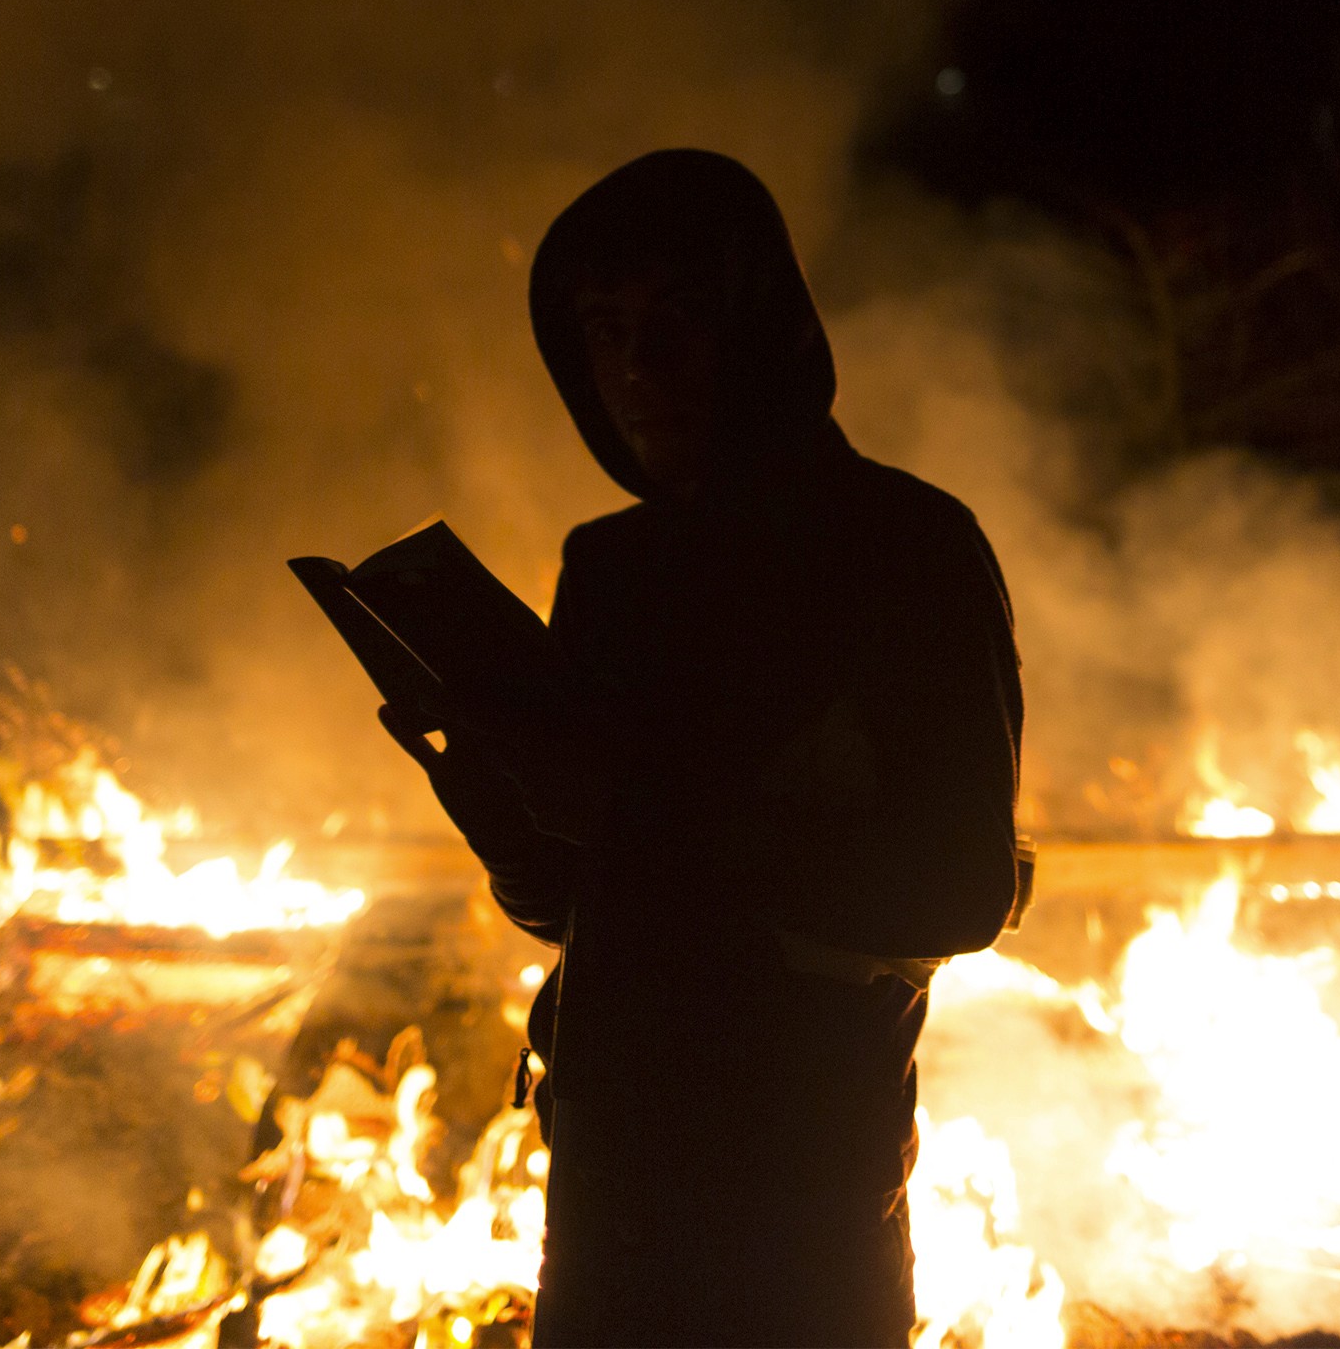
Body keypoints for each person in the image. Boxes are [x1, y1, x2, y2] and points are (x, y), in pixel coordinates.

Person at [376, 149, 1027, 1348]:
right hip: (608, 1186)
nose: (638, 366)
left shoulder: (906, 550)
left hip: (794, 1214)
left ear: (759, 322)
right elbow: (587, 899)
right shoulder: (611, 567)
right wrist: (489, 786)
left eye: (679, 319)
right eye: (606, 327)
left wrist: (631, 809)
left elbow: (955, 885)